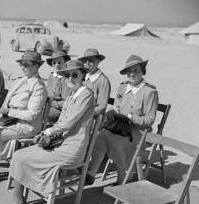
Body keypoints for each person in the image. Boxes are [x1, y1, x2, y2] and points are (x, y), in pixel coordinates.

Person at [0, 60, 95, 204]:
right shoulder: (71, 96)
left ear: (83, 75)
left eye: (75, 74)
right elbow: (62, 122)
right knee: (18, 155)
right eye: (67, 75)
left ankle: (17, 201)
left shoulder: (86, 94)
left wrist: (48, 132)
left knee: (23, 157)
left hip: (73, 148)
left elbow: (69, 122)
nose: (70, 78)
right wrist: (46, 134)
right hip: (61, 143)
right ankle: (18, 200)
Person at [0, 50, 48, 184]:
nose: (23, 67)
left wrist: (8, 111)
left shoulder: (38, 86)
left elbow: (32, 114)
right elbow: (7, 101)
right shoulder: (21, 80)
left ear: (36, 66)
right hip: (10, 120)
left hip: (27, 125)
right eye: (21, 64)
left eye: (26, 64)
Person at [85, 55, 159, 186]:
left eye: (136, 70)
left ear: (143, 71)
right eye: (129, 71)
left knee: (114, 141)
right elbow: (117, 107)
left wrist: (130, 117)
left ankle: (123, 177)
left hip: (139, 132)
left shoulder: (149, 92)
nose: (132, 73)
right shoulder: (123, 87)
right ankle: (91, 173)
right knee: (101, 135)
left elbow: (149, 120)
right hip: (120, 126)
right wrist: (113, 112)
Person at [78, 48, 111, 115]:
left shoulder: (103, 80)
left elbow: (102, 106)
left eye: (91, 60)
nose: (87, 62)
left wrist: (84, 114)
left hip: (92, 117)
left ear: (98, 61)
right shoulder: (81, 77)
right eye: (85, 60)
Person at [46, 50, 71, 123]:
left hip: (60, 111)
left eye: (60, 62)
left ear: (65, 62)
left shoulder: (67, 79)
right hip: (48, 107)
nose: (57, 65)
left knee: (41, 113)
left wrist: (52, 103)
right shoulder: (51, 76)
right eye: (54, 63)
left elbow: (67, 102)